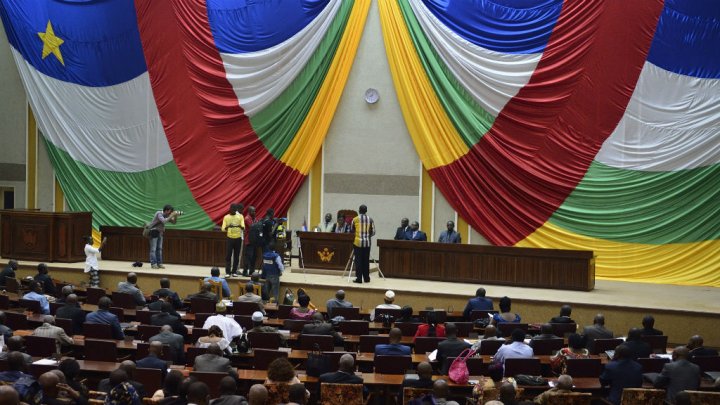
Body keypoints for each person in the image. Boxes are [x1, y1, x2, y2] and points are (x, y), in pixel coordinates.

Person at [147, 204, 181, 269]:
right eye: (170, 211)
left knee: (159, 249)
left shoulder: (167, 215)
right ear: (166, 210)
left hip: (160, 233)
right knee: (153, 249)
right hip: (153, 231)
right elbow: (164, 221)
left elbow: (174, 222)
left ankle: (159, 263)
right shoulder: (159, 213)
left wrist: (175, 216)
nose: (170, 213)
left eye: (171, 212)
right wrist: (171, 215)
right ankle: (153, 264)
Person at [351, 204, 375, 284]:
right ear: (366, 211)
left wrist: (358, 235)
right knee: (366, 260)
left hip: (357, 243)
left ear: (359, 210)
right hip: (367, 243)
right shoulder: (370, 219)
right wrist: (367, 236)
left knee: (358, 261)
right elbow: (374, 232)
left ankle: (359, 278)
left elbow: (352, 229)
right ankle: (367, 278)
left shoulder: (355, 219)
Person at [221, 203, 245, 277]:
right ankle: (228, 272)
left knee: (236, 256)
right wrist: (228, 226)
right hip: (230, 238)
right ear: (230, 209)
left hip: (238, 238)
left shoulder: (240, 216)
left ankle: (234, 271)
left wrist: (240, 226)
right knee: (228, 255)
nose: (233, 211)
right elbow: (222, 229)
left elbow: (243, 227)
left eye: (235, 210)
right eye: (232, 210)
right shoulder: (226, 217)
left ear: (236, 210)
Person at [243, 205, 261, 276]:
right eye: (253, 211)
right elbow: (253, 227)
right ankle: (245, 272)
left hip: (254, 240)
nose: (254, 212)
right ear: (249, 211)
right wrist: (258, 224)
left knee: (254, 257)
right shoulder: (247, 218)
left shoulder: (255, 218)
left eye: (255, 211)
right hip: (249, 240)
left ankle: (251, 271)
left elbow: (258, 226)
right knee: (248, 257)